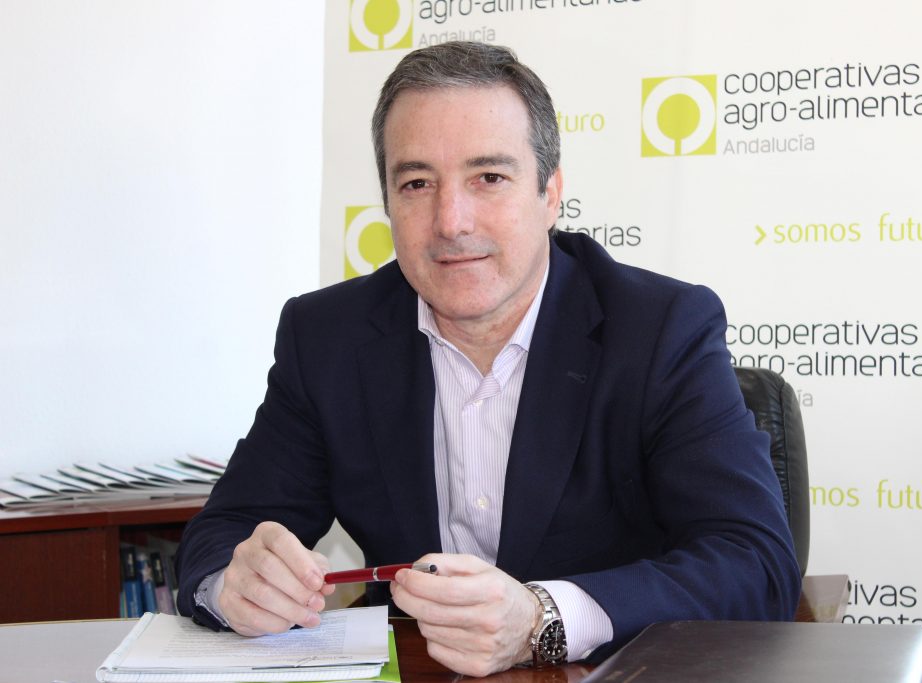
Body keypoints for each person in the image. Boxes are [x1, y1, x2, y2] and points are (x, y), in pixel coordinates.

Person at [176, 41, 801, 677]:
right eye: (417, 184)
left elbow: (755, 563)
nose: (451, 221)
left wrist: (542, 619)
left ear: (550, 193)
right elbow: (224, 533)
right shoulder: (327, 338)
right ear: (387, 203)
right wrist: (234, 585)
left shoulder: (660, 329)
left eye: (489, 178)